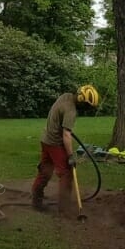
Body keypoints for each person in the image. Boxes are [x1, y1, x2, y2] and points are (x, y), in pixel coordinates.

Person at [31, 84, 100, 215]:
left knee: (45, 170)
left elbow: (59, 118)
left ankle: (36, 201)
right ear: (80, 99)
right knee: (66, 173)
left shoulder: (66, 96)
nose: (87, 108)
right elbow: (66, 135)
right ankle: (64, 208)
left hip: (45, 139)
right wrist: (70, 156)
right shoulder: (71, 111)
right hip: (55, 142)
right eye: (87, 105)